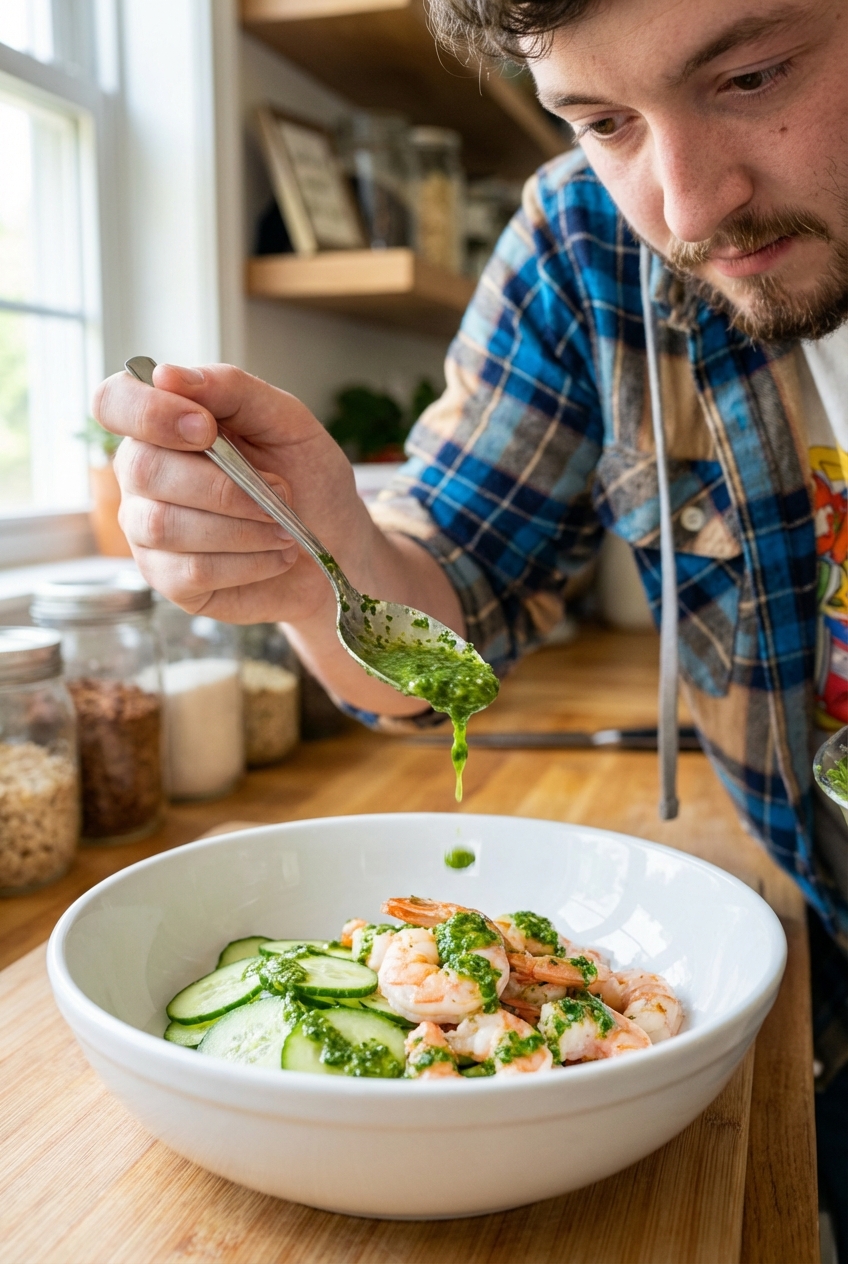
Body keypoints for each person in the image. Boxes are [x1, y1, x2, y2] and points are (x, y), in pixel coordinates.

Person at [94, 0, 847, 1250]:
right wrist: (312, 555)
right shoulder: (584, 246)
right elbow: (448, 602)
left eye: (751, 75)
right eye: (603, 121)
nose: (686, 204)